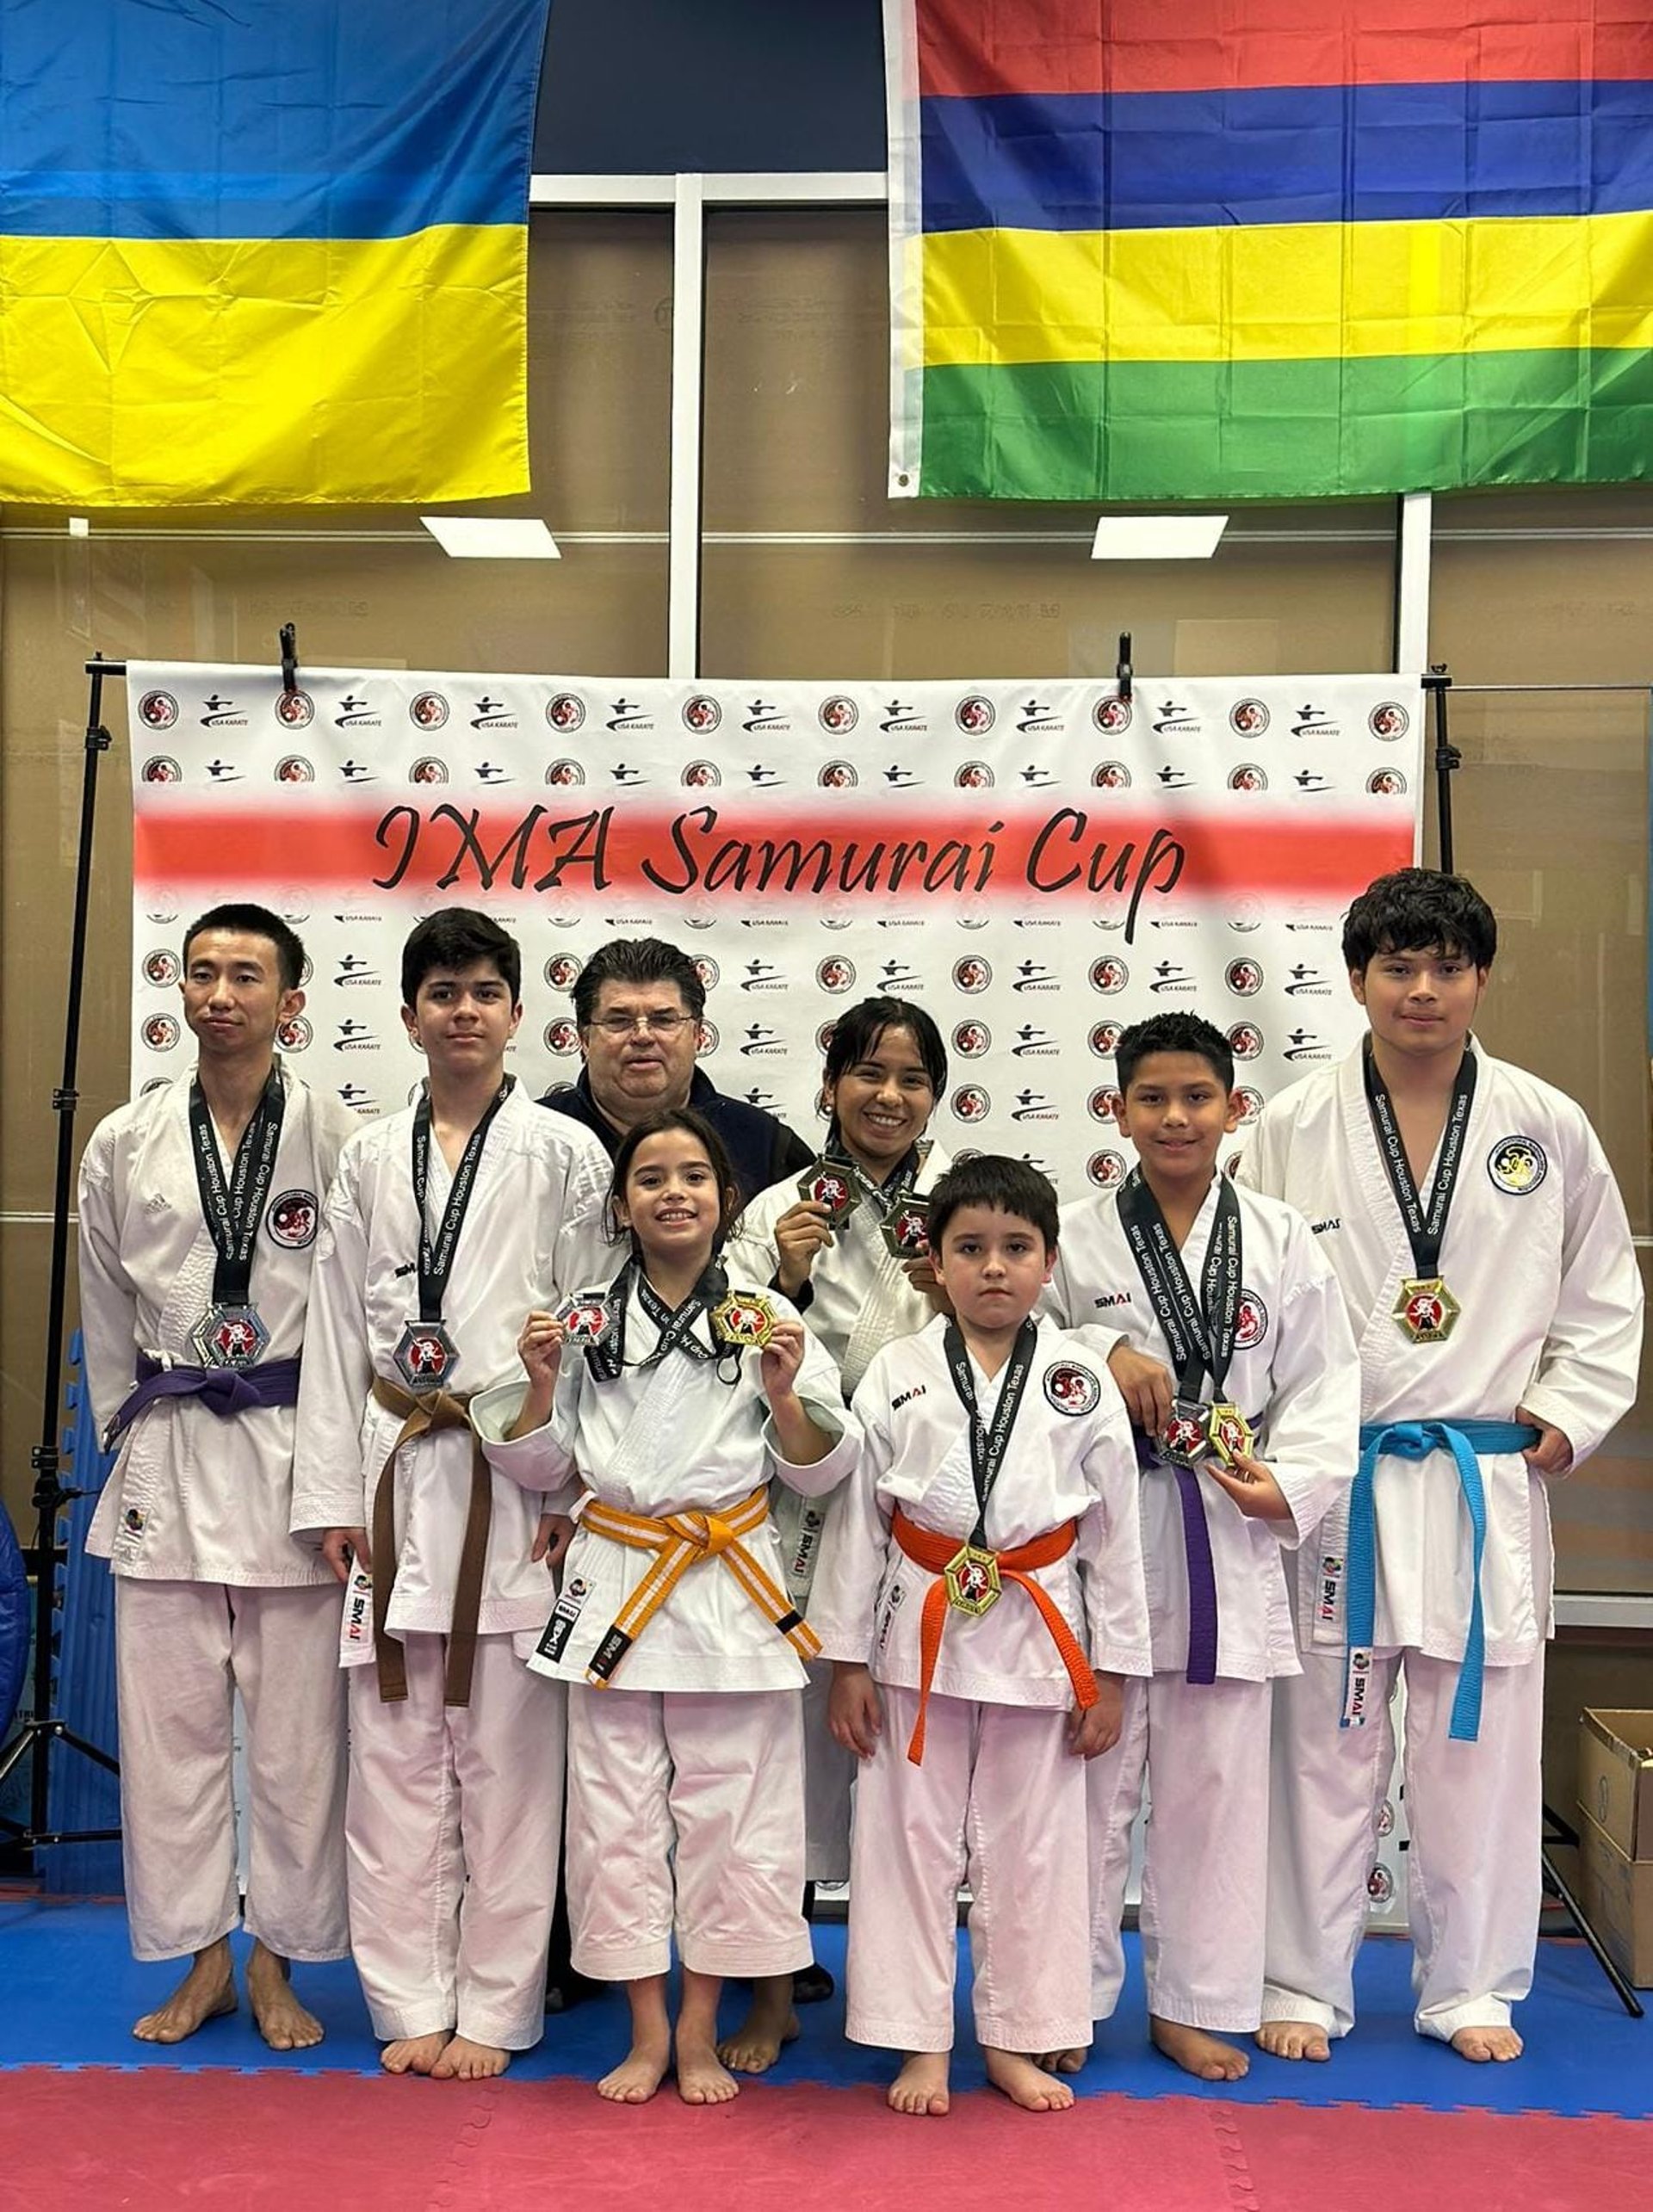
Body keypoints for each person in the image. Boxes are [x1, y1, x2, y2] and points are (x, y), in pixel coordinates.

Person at [1238, 869, 1643, 2064]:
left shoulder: (1545, 1122)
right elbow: (1248, 1299)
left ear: (1480, 978)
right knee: (1322, 1738)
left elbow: (1604, 1296)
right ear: (1357, 978)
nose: (1423, 988)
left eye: (1447, 966)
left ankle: (1469, 1984)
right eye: (1398, 966)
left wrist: (1564, 1415)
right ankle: (1301, 1979)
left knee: (1481, 1745)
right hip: (1340, 1483)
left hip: (1479, 1477)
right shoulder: (1290, 1127)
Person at [474, 1107, 858, 2105]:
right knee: (613, 1821)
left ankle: (701, 2024)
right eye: (651, 1177)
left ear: (727, 1200)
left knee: (735, 1821)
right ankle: (646, 2026)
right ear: (622, 1204)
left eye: (694, 1174)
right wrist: (541, 1381)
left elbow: (821, 1470)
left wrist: (781, 1398)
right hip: (616, 1585)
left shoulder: (772, 1317)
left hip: (727, 1587)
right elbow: (540, 1460)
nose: (673, 1190)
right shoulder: (588, 1313)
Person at [289, 908, 610, 2080]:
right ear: (412, 1012)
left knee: (512, 1777)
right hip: (389, 1481)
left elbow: (587, 1332)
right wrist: (330, 1495)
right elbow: (333, 1336)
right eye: (443, 991)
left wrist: (573, 1480)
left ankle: (496, 2008)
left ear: (519, 1013)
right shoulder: (370, 1156)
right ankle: (405, 1998)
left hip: (510, 1483)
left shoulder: (567, 1155)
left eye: (485, 990)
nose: (464, 1009)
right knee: (393, 1773)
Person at [1043, 1012, 1360, 2081]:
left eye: (1196, 1096)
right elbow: (1015, 1341)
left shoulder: (1279, 1238)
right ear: (1117, 1110)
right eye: (1152, 1098)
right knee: (1087, 1777)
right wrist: (1103, 1343)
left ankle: (1194, 2000)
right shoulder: (1074, 1236)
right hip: (1110, 1527)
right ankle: (1065, 1996)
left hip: (1228, 1523)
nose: (1175, 1116)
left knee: (1216, 1786)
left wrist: (1293, 1483)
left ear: (1235, 1107)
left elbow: (1325, 1385)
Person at [809, 1156, 1151, 2116]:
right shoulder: (898, 1368)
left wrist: (1112, 1675)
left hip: (1044, 1644)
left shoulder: (1081, 1378)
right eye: (970, 1248)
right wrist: (846, 1664)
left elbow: (1116, 1541)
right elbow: (856, 1530)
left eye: (1015, 1248)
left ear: (1050, 1263)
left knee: (1036, 1851)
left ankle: (1016, 2034)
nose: (993, 1268)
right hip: (914, 1639)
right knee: (904, 1844)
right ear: (936, 1261)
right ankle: (917, 2040)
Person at [77, 902, 357, 2049]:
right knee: (174, 1734)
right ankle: (199, 1958)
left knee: (298, 1745)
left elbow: (355, 1319)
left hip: (293, 1455)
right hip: (174, 1447)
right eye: (202, 972)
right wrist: (117, 1422)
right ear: (179, 992)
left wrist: (347, 1478)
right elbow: (103, 1299)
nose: (220, 993)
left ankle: (282, 1961)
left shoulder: (340, 1135)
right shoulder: (124, 1140)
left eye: (247, 974)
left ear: (290, 999)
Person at [717, 997, 951, 2070]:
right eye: (867, 1073)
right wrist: (785, 1280)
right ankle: (773, 1981)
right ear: (828, 1088)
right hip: (796, 1508)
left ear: (936, 1097)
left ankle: (910, 1984)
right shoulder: (772, 1213)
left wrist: (939, 1293)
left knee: (908, 1759)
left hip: (919, 1519)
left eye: (910, 1078)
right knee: (781, 1759)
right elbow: (725, 1360)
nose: (888, 1095)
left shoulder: (956, 1211)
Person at [541, 936, 813, 1205]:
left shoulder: (763, 1145)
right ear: (584, 1039)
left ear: (697, 1034)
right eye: (619, 1021)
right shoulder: (533, 1142)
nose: (643, 1035)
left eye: (664, 1020)